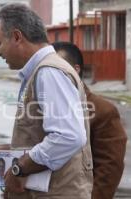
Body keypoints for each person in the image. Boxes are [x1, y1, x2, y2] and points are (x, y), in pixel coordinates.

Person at [0, 3, 93, 198]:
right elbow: (38, 138)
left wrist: (19, 168)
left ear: (17, 37)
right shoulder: (40, 72)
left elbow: (68, 137)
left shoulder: (49, 72)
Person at [52, 41, 127, 199]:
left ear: (75, 70)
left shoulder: (102, 110)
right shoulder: (44, 108)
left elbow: (109, 170)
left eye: (55, 69)